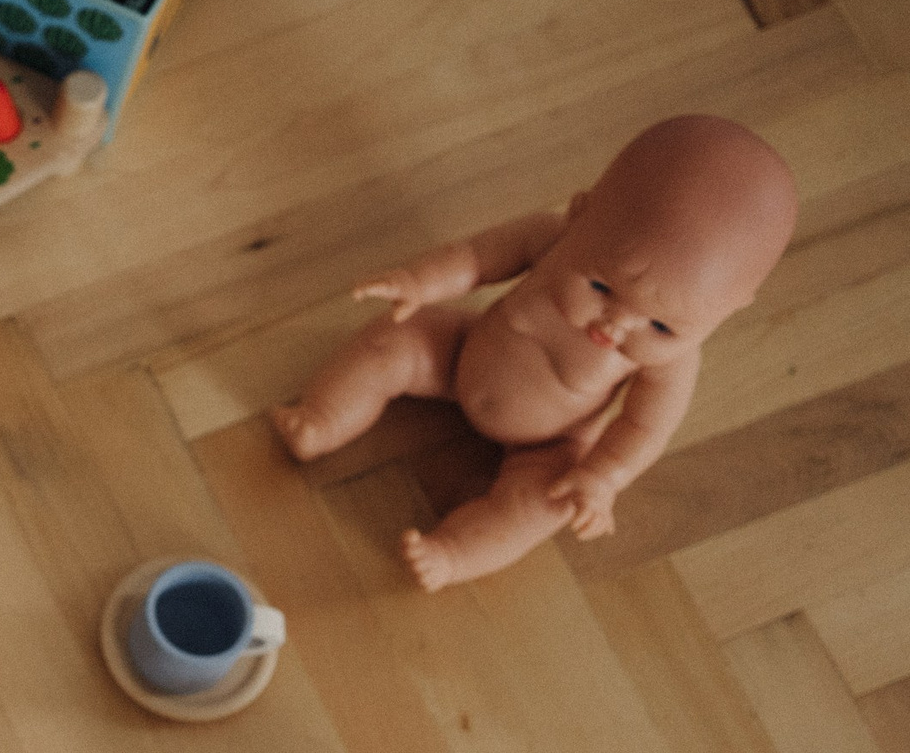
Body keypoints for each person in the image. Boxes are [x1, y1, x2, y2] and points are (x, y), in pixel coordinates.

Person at [272, 115, 797, 591]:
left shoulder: (674, 364)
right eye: (601, 287)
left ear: (727, 313)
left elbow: (644, 428)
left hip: (550, 443)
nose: (617, 325)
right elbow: (475, 259)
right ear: (579, 215)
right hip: (459, 354)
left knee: (539, 508)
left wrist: (603, 478)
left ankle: (452, 553)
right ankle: (320, 420)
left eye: (661, 326)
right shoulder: (547, 236)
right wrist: (420, 283)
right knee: (388, 340)